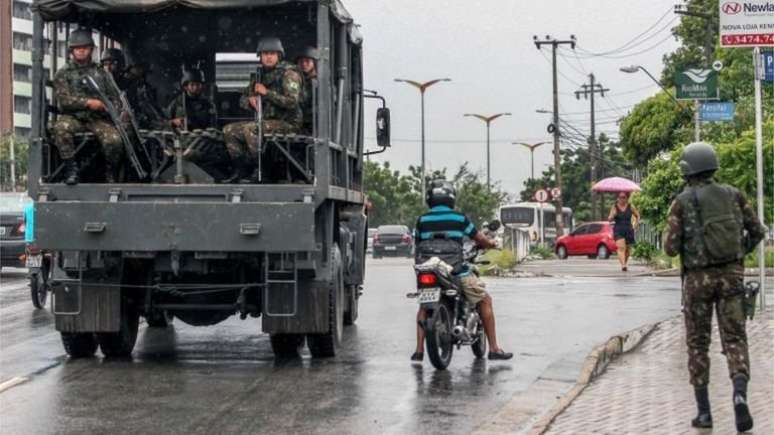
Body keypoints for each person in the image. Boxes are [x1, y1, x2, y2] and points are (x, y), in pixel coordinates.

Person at [664, 142, 765, 432]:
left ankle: (705, 413)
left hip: (696, 282)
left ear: (687, 170)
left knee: (698, 344)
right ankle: (739, 394)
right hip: (732, 276)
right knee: (735, 339)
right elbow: (757, 230)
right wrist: (737, 253)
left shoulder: (681, 202)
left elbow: (670, 248)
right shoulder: (734, 195)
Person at [411, 180, 514, 362]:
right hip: (456, 271)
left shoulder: (422, 220)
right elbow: (479, 238)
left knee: (423, 307)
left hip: (430, 272)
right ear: (451, 198)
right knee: (485, 300)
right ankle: (494, 349)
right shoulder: (459, 218)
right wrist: (491, 243)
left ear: (430, 199)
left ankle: (419, 350)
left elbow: (417, 245)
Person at [223, 37, 303, 183]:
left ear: (279, 56)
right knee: (229, 130)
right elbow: (242, 99)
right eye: (265, 54)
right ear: (260, 56)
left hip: (289, 123)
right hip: (267, 122)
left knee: (251, 129)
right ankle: (242, 169)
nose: (268, 57)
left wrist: (267, 93)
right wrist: (250, 100)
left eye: (272, 53)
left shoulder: (289, 74)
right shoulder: (259, 76)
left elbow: (292, 102)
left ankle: (263, 170)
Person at [52, 29, 124, 185]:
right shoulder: (63, 73)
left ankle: (111, 173)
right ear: (72, 50)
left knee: (114, 140)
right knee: (60, 128)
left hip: (97, 119)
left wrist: (110, 107)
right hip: (74, 117)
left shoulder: (101, 73)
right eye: (77, 48)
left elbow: (115, 97)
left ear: (91, 49)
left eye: (85, 47)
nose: (81, 50)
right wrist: (88, 103)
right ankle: (71, 170)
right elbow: (64, 101)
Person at [608, 192, 640, 271]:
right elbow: (609, 219)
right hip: (618, 229)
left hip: (628, 229)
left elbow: (637, 215)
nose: (622, 199)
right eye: (620, 197)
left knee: (628, 250)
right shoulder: (614, 207)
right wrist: (613, 215)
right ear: (618, 198)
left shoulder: (630, 206)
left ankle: (624, 263)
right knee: (621, 248)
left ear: (627, 198)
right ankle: (623, 265)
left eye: (624, 197)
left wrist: (636, 224)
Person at [295, 47, 318, 134]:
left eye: (307, 61)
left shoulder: (321, 84)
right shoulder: (294, 81)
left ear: (314, 63)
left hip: (313, 126)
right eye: (301, 62)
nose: (304, 64)